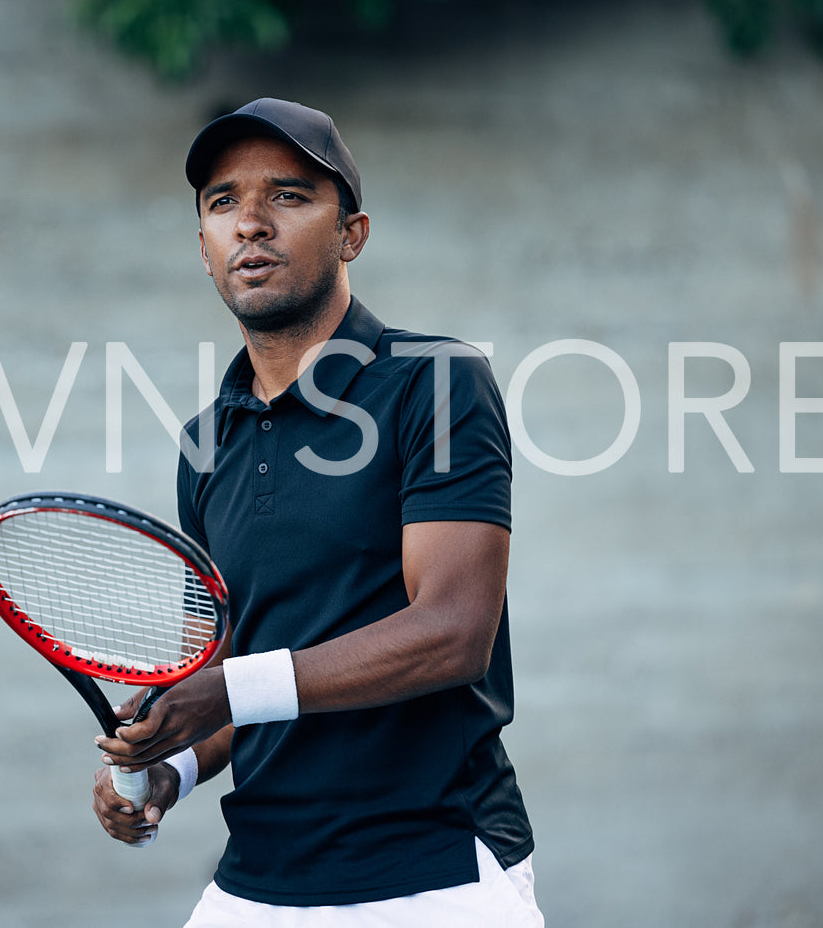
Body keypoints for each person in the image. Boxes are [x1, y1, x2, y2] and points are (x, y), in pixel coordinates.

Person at [91, 98, 542, 926]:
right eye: (223, 202)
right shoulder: (203, 443)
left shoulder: (433, 380)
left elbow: (453, 630)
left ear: (352, 235)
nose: (250, 223)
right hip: (253, 887)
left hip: (434, 877)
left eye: (288, 196)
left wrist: (222, 691)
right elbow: (239, 668)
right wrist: (173, 768)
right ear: (203, 248)